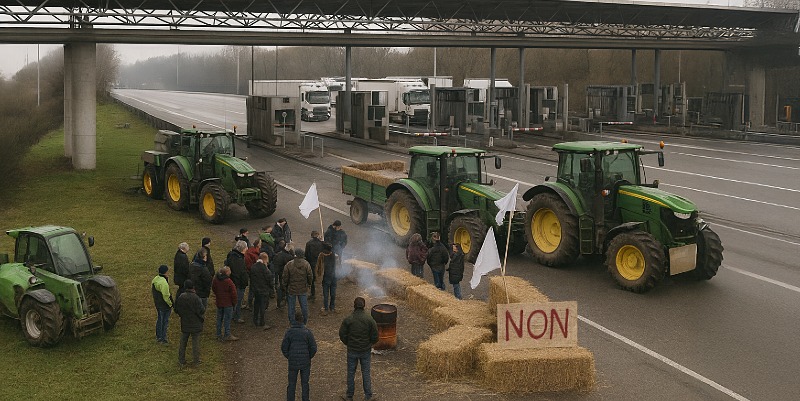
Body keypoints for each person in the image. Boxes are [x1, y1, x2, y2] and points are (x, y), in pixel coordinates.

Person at [339, 297, 379, 401]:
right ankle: (368, 396)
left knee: (351, 373)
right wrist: (370, 343)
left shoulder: (348, 319)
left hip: (352, 350)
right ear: (364, 305)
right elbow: (375, 336)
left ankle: (349, 396)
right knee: (366, 373)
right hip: (365, 351)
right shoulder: (369, 319)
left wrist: (348, 343)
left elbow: (342, 334)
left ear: (354, 305)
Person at [282, 309, 317, 401]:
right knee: (305, 383)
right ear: (302, 319)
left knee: (291, 384)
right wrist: (308, 356)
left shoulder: (289, 332)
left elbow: (284, 347)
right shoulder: (307, 332)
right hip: (305, 362)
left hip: (293, 361)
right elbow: (313, 348)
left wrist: (289, 356)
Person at [174, 279, 205, 367]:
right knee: (195, 343)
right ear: (193, 287)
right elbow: (202, 310)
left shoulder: (181, 297)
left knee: (183, 342)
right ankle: (196, 361)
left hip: (185, 322)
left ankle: (181, 360)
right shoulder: (196, 297)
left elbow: (177, 309)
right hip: (196, 322)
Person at [282, 248, 313, 326]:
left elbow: (285, 277)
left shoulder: (289, 264)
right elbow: (310, 276)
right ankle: (304, 321)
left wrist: (285, 286)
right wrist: (309, 284)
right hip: (303, 288)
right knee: (304, 306)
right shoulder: (306, 264)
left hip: (291, 289)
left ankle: (292, 322)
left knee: (291, 307)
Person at [211, 266, 238, 341]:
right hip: (228, 303)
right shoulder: (228, 281)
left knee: (219, 319)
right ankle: (227, 334)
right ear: (226, 273)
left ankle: (218, 334)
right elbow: (234, 293)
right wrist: (234, 302)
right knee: (227, 319)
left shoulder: (216, 279)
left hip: (219, 302)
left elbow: (213, 288)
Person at [250, 252, 274, 330]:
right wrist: (271, 288)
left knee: (256, 304)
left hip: (256, 290)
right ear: (265, 259)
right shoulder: (265, 269)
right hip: (264, 290)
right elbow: (270, 280)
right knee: (263, 306)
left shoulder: (253, 267)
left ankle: (255, 320)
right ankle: (262, 322)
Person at [226, 240, 249, 323]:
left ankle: (233, 314)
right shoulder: (238, 260)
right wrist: (242, 283)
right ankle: (236, 316)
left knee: (235, 300)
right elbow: (238, 274)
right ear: (243, 249)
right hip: (238, 284)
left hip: (234, 282)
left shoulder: (232, 255)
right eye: (246, 247)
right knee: (237, 300)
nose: (247, 249)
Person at [151, 264, 173, 344]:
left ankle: (158, 336)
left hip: (158, 303)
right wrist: (170, 304)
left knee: (159, 319)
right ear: (166, 272)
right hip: (164, 305)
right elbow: (166, 296)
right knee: (165, 321)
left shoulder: (155, 279)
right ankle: (163, 338)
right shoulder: (164, 283)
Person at [272, 240, 294, 308]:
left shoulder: (278, 255)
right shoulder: (289, 257)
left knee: (281, 287)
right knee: (288, 288)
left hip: (280, 274)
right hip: (287, 274)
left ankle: (279, 302)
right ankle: (287, 301)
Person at [317, 242, 337, 315]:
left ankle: (326, 308)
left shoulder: (321, 255)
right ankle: (332, 307)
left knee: (326, 294)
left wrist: (318, 276)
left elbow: (319, 267)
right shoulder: (335, 255)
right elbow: (338, 266)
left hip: (326, 277)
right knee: (333, 293)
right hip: (334, 277)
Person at [304, 231, 324, 300]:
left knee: (311, 277)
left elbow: (306, 253)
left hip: (311, 261)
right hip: (319, 261)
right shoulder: (321, 243)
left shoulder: (309, 243)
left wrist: (307, 260)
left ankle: (313, 293)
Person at [244, 238, 262, 310]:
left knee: (252, 288)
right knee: (252, 288)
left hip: (250, 271)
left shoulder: (251, 250)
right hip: (253, 273)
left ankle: (249, 303)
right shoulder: (254, 254)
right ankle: (250, 303)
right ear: (258, 245)